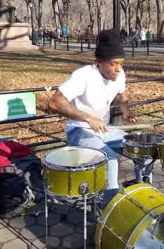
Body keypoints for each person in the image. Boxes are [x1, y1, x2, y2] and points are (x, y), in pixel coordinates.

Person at [48, 29, 137, 204]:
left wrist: (125, 110)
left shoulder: (120, 73)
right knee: (109, 159)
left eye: (121, 63)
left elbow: (121, 93)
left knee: (142, 149)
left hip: (105, 129)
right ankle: (110, 211)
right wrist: (88, 118)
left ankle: (142, 196)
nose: (118, 69)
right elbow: (55, 102)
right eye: (113, 64)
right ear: (99, 62)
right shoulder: (83, 76)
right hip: (79, 130)